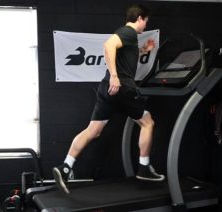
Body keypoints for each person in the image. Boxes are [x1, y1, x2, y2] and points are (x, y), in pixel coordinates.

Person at [53, 4, 165, 194]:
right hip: (122, 89)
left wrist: (144, 50)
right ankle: (144, 167)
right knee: (147, 123)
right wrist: (115, 75)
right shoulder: (128, 32)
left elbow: (125, 56)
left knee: (93, 131)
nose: (146, 25)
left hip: (107, 90)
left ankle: (65, 168)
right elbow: (108, 45)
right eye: (146, 21)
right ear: (139, 18)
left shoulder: (130, 39)